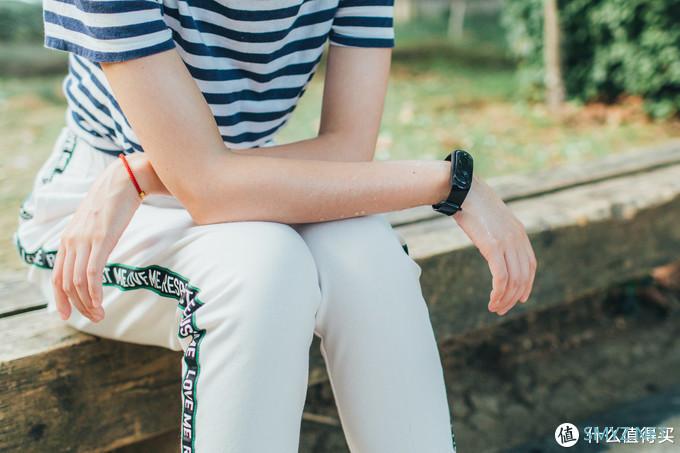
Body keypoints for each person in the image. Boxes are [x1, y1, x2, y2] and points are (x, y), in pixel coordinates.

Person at [14, 0, 537, 452]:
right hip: (100, 215)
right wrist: (450, 183)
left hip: (248, 182)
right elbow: (206, 185)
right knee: (262, 270)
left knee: (367, 255)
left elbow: (347, 150)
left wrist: (150, 173)